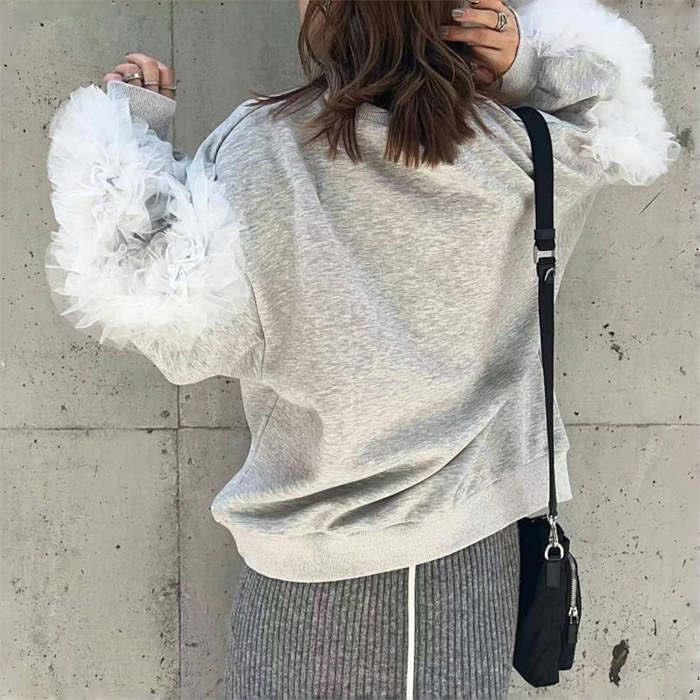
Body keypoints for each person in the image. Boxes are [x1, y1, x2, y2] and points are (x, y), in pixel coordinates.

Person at [44, 0, 677, 697]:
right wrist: (523, 63)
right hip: (465, 556)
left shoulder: (262, 149)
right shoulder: (523, 151)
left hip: (307, 564)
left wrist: (129, 136)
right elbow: (614, 121)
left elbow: (175, 328)